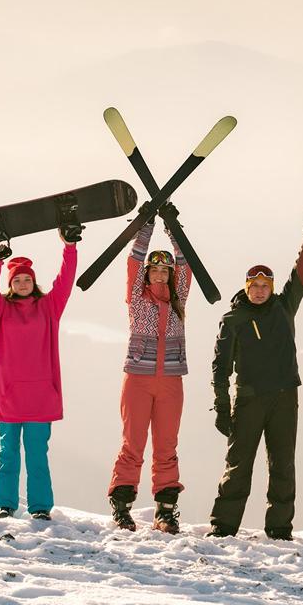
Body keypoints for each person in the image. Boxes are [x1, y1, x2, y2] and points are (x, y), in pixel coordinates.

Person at [0, 222, 81, 519]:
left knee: (37, 456)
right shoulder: (0, 309)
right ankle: (5, 505)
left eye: (27, 280)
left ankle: (39, 508)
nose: (23, 284)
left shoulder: (49, 307)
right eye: (17, 280)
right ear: (10, 284)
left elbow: (65, 281)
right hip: (7, 393)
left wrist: (70, 247)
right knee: (7, 454)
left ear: (33, 282)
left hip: (40, 394)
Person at [108, 204, 192, 533]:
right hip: (138, 379)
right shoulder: (137, 297)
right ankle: (122, 503)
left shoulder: (179, 299)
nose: (160, 274)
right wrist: (146, 227)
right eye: (154, 270)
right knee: (133, 443)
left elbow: (184, 263)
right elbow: (132, 261)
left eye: (165, 270)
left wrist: (172, 227)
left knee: (167, 444)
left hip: (171, 380)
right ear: (148, 273)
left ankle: (166, 510)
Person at [208, 263, 303, 538]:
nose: (260, 291)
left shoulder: (284, 307)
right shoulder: (233, 320)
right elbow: (221, 367)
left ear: (272, 288)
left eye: (265, 286)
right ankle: (223, 526)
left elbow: (301, 274)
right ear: (246, 288)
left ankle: (279, 528)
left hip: (285, 397)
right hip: (249, 400)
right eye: (255, 287)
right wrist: (222, 407)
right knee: (239, 463)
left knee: (283, 463)